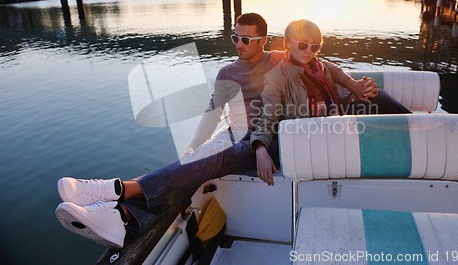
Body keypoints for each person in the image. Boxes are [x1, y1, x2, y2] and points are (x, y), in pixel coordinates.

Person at [55, 13, 287, 249]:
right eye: (235, 38)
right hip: (235, 134)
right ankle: (123, 216)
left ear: (263, 40)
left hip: (267, 140)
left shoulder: (280, 61)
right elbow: (212, 113)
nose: (239, 45)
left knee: (212, 159)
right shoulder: (227, 73)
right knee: (193, 164)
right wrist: (193, 148)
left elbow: (315, 62)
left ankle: (120, 190)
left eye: (246, 40)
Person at [250, 19, 410, 184]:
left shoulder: (319, 67)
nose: (309, 51)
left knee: (376, 96)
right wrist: (260, 150)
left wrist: (354, 86)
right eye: (303, 45)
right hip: (308, 138)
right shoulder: (277, 77)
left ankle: (422, 130)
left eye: (315, 47)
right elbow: (268, 118)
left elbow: (334, 69)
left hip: (335, 125)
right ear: (288, 44)